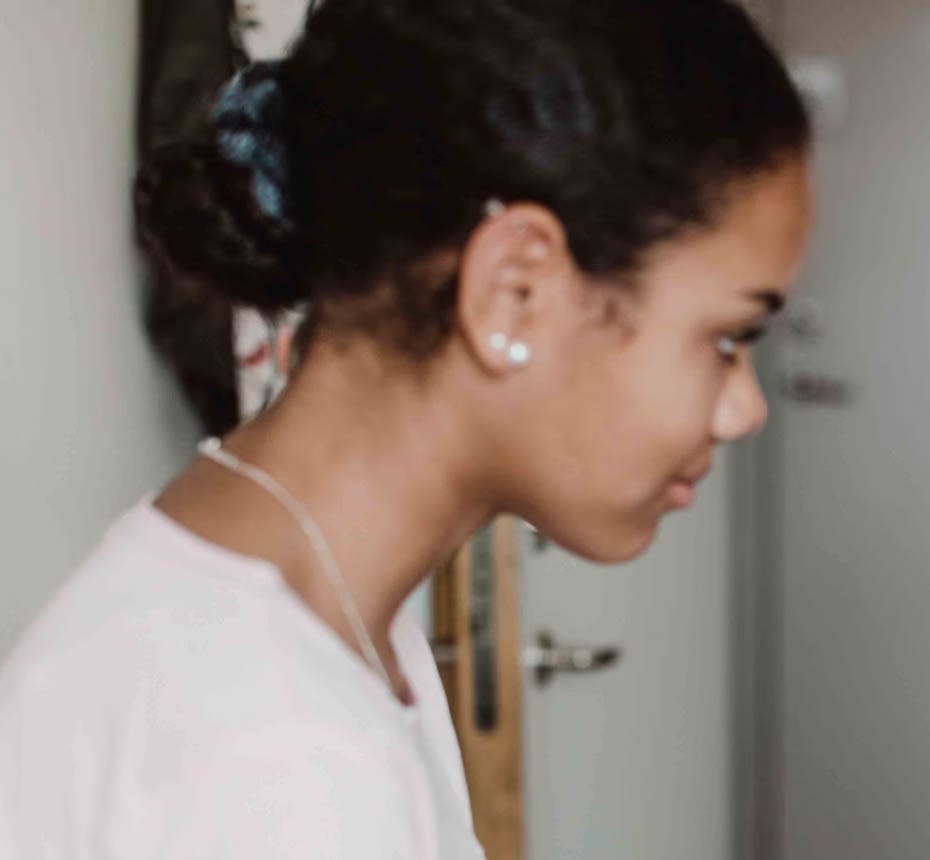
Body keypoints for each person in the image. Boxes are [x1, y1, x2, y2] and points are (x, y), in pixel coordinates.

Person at [0, 1, 811, 856]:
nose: (744, 407)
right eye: (726, 338)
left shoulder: (312, 623)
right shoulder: (282, 765)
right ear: (514, 290)